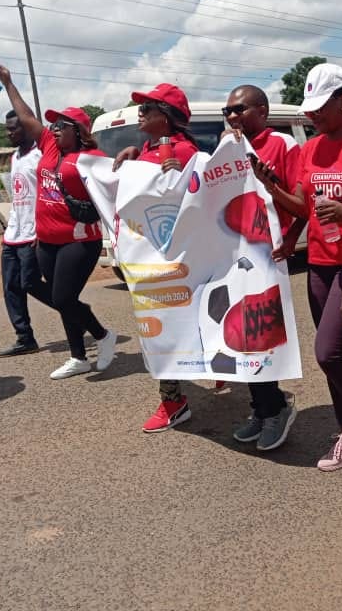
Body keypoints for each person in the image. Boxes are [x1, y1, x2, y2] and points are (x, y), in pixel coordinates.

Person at [260, 63, 342, 473]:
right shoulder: (309, 149)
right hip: (319, 260)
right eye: (309, 109)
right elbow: (303, 206)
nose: (313, 115)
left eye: (320, 107)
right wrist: (272, 188)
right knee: (337, 353)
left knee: (328, 353)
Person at [0, 63, 117, 381]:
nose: (55, 129)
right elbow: (27, 118)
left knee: (63, 297)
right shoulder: (49, 147)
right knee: (63, 300)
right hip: (46, 240)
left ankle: (103, 335)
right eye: (55, 125)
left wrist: (130, 155)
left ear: (78, 130)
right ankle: (78, 356)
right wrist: (9, 84)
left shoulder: (94, 158)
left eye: (62, 125)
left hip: (79, 241)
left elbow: (119, 184)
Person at [112, 84, 201, 433]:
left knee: (164, 328)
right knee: (163, 327)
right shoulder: (147, 149)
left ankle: (174, 402)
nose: (140, 112)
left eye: (147, 108)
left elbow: (190, 198)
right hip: (142, 258)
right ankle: (197, 380)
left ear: (165, 116)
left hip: (167, 260)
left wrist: (178, 173)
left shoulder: (183, 150)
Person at [221, 84, 300, 451]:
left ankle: (275, 409)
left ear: (262, 112)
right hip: (240, 255)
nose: (233, 116)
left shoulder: (283, 145)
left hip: (271, 254)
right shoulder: (227, 149)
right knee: (244, 334)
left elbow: (302, 202)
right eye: (228, 111)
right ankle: (263, 406)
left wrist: (290, 237)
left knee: (263, 334)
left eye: (240, 109)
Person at [0, 109, 53, 357]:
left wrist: (44, 227)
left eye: (13, 128)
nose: (8, 132)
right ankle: (25, 337)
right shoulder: (14, 157)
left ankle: (73, 309)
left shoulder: (41, 156)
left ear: (27, 128)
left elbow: (50, 194)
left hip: (34, 233)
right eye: (7, 128)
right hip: (13, 233)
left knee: (29, 283)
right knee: (11, 286)